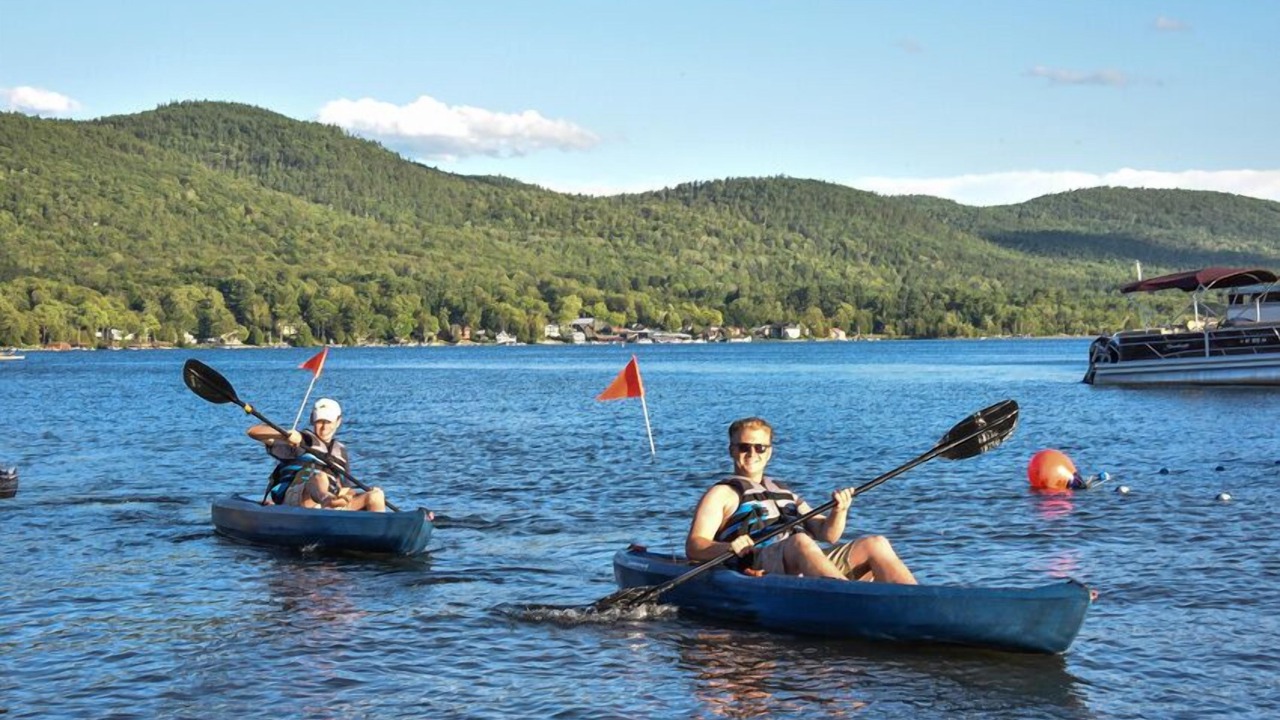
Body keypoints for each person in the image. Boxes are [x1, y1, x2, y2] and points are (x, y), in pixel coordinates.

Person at [684, 416, 916, 583]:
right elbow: (694, 546)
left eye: (760, 447)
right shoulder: (721, 494)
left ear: (769, 452)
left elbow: (827, 534)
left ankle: (914, 599)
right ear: (732, 451)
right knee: (800, 542)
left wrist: (840, 511)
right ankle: (844, 595)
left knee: (876, 543)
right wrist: (729, 547)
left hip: (800, 560)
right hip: (757, 562)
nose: (752, 454)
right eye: (744, 447)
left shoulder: (786, 494)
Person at [247, 398, 387, 512]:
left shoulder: (341, 452)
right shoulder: (300, 440)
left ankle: (381, 532)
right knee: (319, 476)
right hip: (296, 500)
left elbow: (345, 489)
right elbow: (253, 432)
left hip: (329, 507)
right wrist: (284, 435)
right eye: (320, 422)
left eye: (328, 422)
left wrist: (354, 495)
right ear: (312, 420)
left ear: (338, 421)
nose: (324, 427)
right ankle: (327, 499)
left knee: (376, 496)